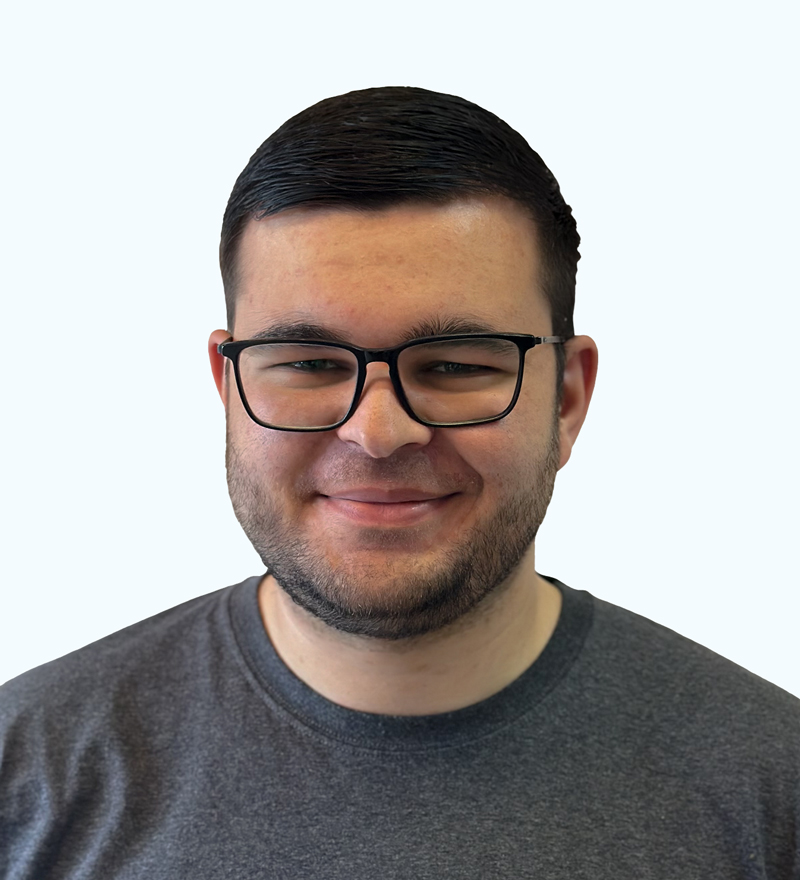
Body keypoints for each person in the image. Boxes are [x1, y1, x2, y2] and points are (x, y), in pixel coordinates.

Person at [1, 87, 798, 879]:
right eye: (310, 364)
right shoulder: (24, 773)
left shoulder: (773, 791)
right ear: (228, 387)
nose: (377, 433)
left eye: (453, 365)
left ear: (566, 399)